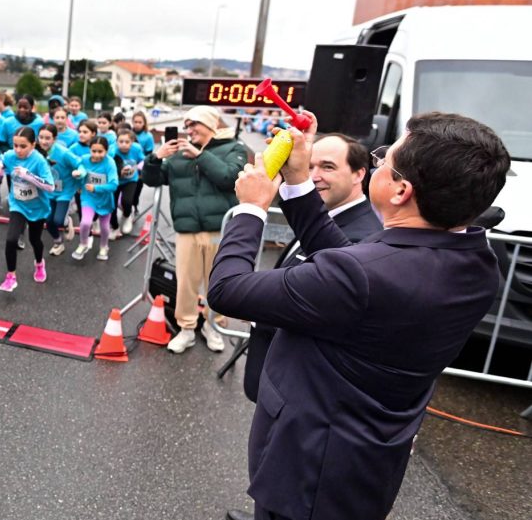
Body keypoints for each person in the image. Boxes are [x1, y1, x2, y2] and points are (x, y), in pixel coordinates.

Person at [209, 112, 509, 520]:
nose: (378, 163)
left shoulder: (362, 276)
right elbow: (350, 262)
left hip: (308, 473)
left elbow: (227, 289)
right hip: (368, 460)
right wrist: (297, 182)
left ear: (401, 190)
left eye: (384, 159)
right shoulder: (478, 264)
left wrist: (251, 209)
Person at [225, 133, 383, 520]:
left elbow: (230, 290)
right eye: (310, 166)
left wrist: (250, 210)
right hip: (281, 377)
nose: (314, 176)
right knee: (268, 465)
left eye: (327, 167)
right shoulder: (327, 213)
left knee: (285, 477)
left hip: (308, 398)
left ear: (360, 174)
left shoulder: (364, 236)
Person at [143, 105, 248, 353]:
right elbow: (152, 179)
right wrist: (156, 158)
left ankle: (213, 325)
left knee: (216, 282)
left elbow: (229, 178)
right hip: (186, 228)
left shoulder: (234, 148)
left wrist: (200, 156)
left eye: (194, 125)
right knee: (186, 283)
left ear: (210, 124)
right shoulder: (178, 154)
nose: (189, 130)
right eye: (187, 126)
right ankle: (187, 328)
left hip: (219, 229)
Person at [0, 127, 55, 292]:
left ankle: (39, 263)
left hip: (37, 207)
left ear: (33, 145)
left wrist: (28, 175)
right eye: (15, 145)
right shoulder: (10, 155)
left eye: (23, 146)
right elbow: (3, 158)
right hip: (18, 204)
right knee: (11, 239)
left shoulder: (39, 161)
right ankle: (11, 277)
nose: (18, 150)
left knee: (35, 240)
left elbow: (50, 187)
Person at [37, 124, 83, 256]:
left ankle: (67, 222)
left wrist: (79, 174)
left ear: (55, 138)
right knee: (48, 221)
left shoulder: (63, 153)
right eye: (41, 137)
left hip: (65, 191)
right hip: (49, 190)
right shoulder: (37, 152)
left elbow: (80, 164)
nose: (44, 141)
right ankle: (58, 242)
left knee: (58, 220)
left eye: (47, 138)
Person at [72, 136, 118, 261]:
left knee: (104, 226)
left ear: (106, 151)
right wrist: (78, 178)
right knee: (85, 222)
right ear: (89, 149)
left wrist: (96, 188)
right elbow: (81, 171)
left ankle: (104, 246)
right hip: (88, 197)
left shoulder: (110, 163)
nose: (97, 155)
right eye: (94, 151)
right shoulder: (84, 159)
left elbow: (114, 185)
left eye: (100, 151)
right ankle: (83, 244)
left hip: (105, 199)